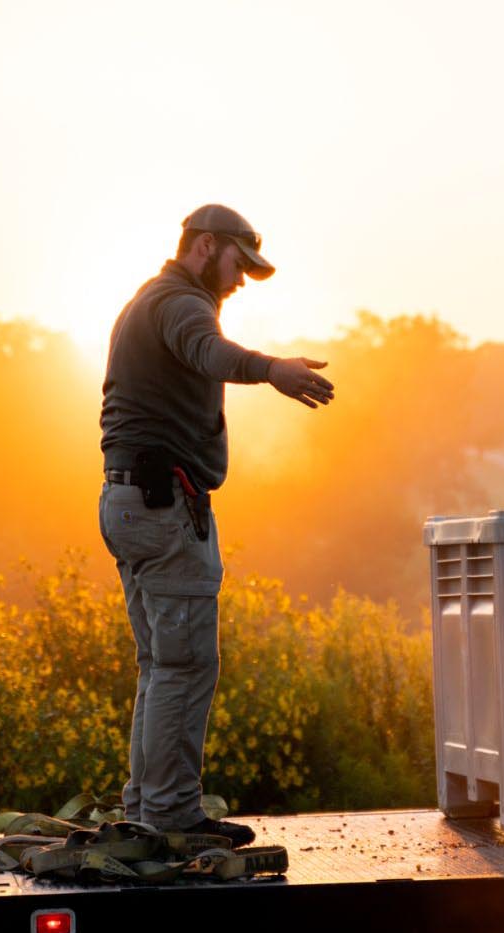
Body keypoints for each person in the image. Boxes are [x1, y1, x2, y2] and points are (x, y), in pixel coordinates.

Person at [98, 204, 336, 845]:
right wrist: (272, 369)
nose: (239, 282)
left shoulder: (151, 300)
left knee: (161, 665)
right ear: (206, 246)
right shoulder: (180, 304)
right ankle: (173, 816)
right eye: (238, 265)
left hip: (130, 504)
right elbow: (207, 351)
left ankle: (148, 808)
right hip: (162, 509)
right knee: (185, 665)